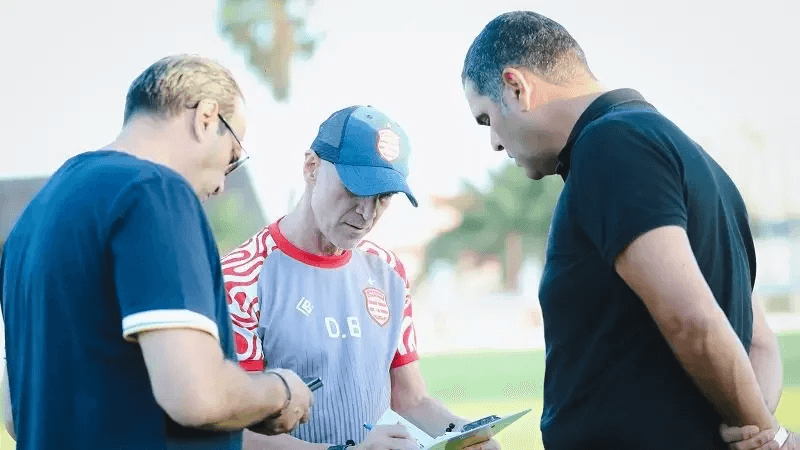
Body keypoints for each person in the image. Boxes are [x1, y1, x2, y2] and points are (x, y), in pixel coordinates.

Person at [461, 11, 793, 450]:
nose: (495, 143)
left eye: (486, 119)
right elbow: (761, 344)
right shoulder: (697, 161)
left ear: (516, 88)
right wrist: (757, 428)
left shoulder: (610, 146)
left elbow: (689, 318)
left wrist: (769, 439)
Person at [0, 54, 313, 450]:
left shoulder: (30, 221)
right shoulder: (154, 191)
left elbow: (14, 413)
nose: (220, 186)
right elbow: (197, 395)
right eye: (232, 158)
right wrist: (281, 390)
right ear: (206, 117)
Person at [222, 105, 500, 450]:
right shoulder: (239, 279)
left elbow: (411, 400)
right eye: (355, 189)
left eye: (382, 197)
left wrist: (468, 435)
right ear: (311, 167)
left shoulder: (389, 273)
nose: (366, 214)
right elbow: (235, 432)